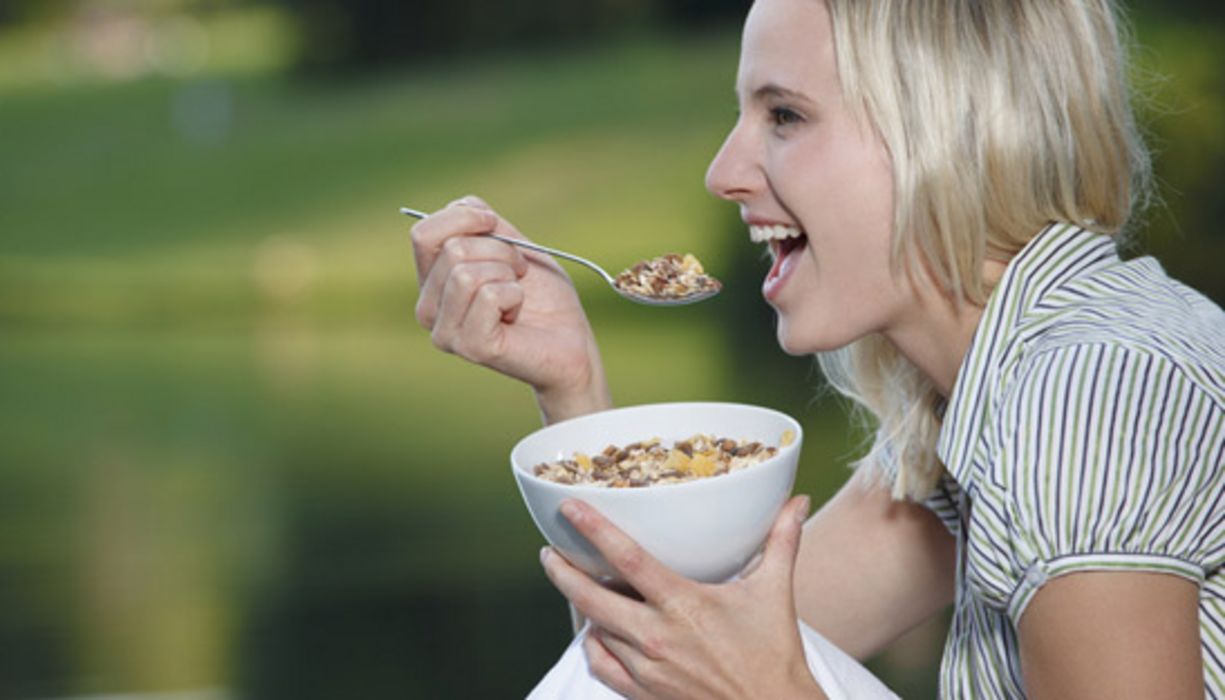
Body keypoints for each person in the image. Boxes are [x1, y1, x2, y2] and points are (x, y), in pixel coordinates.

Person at [407, 0, 1225, 696]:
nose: (723, 171)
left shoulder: (1083, 397)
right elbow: (650, 664)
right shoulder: (975, 408)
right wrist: (574, 392)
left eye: (784, 115)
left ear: (946, 130)